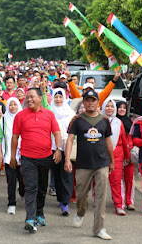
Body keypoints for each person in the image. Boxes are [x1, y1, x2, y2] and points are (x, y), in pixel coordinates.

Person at [10, 88, 62, 233]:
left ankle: (40, 213)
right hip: (27, 158)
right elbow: (15, 137)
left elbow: (56, 132)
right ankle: (30, 219)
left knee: (42, 188)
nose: (29, 99)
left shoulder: (49, 115)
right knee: (31, 187)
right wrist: (13, 157)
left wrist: (58, 149)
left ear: (40, 98)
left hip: (45, 157)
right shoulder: (20, 116)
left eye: (32, 97)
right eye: (27, 97)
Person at [64, 90, 114, 240]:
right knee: (80, 194)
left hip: (102, 163)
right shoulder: (77, 119)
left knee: (101, 197)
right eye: (87, 100)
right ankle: (80, 212)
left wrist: (112, 161)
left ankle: (98, 228)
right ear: (83, 102)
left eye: (93, 100)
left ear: (98, 102)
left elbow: (108, 142)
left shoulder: (104, 120)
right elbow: (70, 139)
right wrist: (67, 159)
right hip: (83, 164)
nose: (90, 103)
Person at [101, 98, 130, 215]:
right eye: (107, 106)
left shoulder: (118, 122)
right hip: (101, 155)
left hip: (117, 155)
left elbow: (124, 139)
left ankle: (118, 205)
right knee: (99, 181)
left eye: (112, 106)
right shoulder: (98, 119)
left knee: (116, 181)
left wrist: (127, 156)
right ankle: (98, 203)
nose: (109, 108)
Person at [0, 97, 24, 215]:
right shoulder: (3, 120)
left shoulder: (23, 118)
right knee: (11, 181)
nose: (13, 107)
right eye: (10, 105)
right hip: (9, 156)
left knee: (23, 180)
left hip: (23, 155)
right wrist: (0, 154)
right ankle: (11, 203)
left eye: (15, 104)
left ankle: (23, 193)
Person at [51, 88, 75, 216]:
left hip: (67, 147)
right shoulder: (50, 112)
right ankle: (60, 198)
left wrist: (63, 147)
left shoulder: (70, 113)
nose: (58, 100)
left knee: (66, 174)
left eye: (61, 97)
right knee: (56, 174)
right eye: (56, 97)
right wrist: (57, 148)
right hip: (53, 147)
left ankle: (65, 202)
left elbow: (72, 132)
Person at [116, 101, 136, 210]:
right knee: (117, 179)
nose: (122, 109)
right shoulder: (114, 122)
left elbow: (134, 137)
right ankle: (120, 201)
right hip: (118, 153)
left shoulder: (131, 122)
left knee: (129, 178)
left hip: (128, 152)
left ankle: (129, 201)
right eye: (119, 107)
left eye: (124, 107)